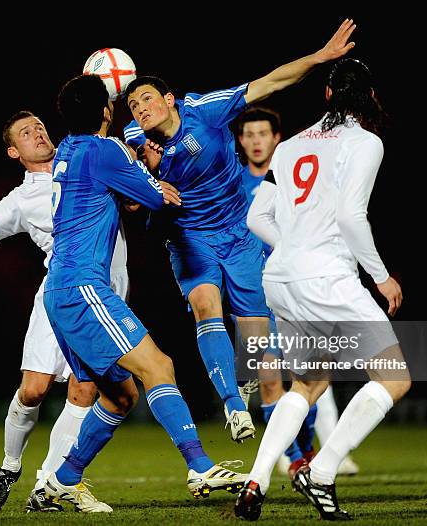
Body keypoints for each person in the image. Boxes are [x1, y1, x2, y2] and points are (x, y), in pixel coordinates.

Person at [123, 19, 357, 443]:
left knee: (258, 352)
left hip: (238, 234)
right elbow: (130, 199)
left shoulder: (204, 111)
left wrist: (320, 57)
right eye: (133, 104)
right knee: (206, 308)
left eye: (147, 99)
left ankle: (294, 449)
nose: (139, 108)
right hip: (188, 239)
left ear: (170, 99)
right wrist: (149, 177)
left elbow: (270, 82)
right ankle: (233, 406)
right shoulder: (133, 140)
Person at [41, 74, 247, 510]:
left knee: (121, 396)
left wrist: (140, 181)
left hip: (60, 290)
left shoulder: (67, 151)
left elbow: (126, 196)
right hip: (84, 287)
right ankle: (199, 465)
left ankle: (63, 479)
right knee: (159, 365)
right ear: (106, 112)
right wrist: (151, 176)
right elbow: (159, 199)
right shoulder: (107, 149)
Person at [235, 58, 411, 521]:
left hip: (281, 279)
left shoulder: (290, 145)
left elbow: (256, 218)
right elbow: (353, 217)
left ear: (328, 95)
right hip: (327, 279)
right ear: (369, 97)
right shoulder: (365, 142)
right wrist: (380, 276)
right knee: (394, 378)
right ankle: (322, 471)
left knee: (308, 383)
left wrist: (294, 246)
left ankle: (256, 479)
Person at [0, 110, 127, 512]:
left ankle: (48, 485)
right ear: (13, 151)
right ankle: (10, 465)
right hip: (60, 294)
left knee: (84, 388)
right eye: (25, 132)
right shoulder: (21, 200)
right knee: (34, 389)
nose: (37, 132)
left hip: (106, 292)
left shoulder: (82, 161)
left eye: (39, 126)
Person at [236, 107, 359, 477]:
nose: (257, 141)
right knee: (270, 377)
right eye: (249, 134)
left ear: (277, 138)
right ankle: (293, 459)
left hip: (298, 289)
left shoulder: (297, 176)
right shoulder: (232, 184)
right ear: (241, 141)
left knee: (310, 381)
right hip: (252, 295)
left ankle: (306, 448)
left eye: (263, 134)